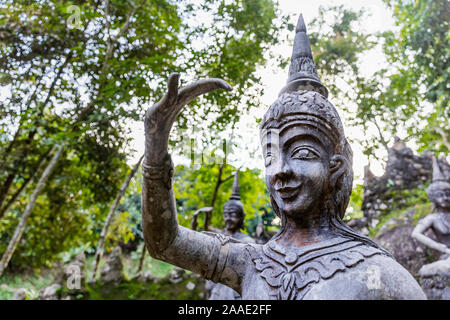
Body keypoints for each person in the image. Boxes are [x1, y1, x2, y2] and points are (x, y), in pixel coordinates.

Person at [141, 14, 426, 299]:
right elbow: (165, 243)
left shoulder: (375, 271)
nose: (280, 171)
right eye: (270, 158)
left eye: (302, 152)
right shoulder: (252, 262)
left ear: (336, 169)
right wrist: (155, 151)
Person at [206, 171, 255, 300]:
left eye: (232, 214)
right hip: (217, 291)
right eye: (225, 214)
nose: (228, 219)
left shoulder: (248, 242)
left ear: (241, 217)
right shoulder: (217, 238)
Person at [412, 156, 450, 276]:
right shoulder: (432, 218)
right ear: (434, 198)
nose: (445, 198)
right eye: (440, 195)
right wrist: (438, 246)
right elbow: (416, 234)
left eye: (448, 194)